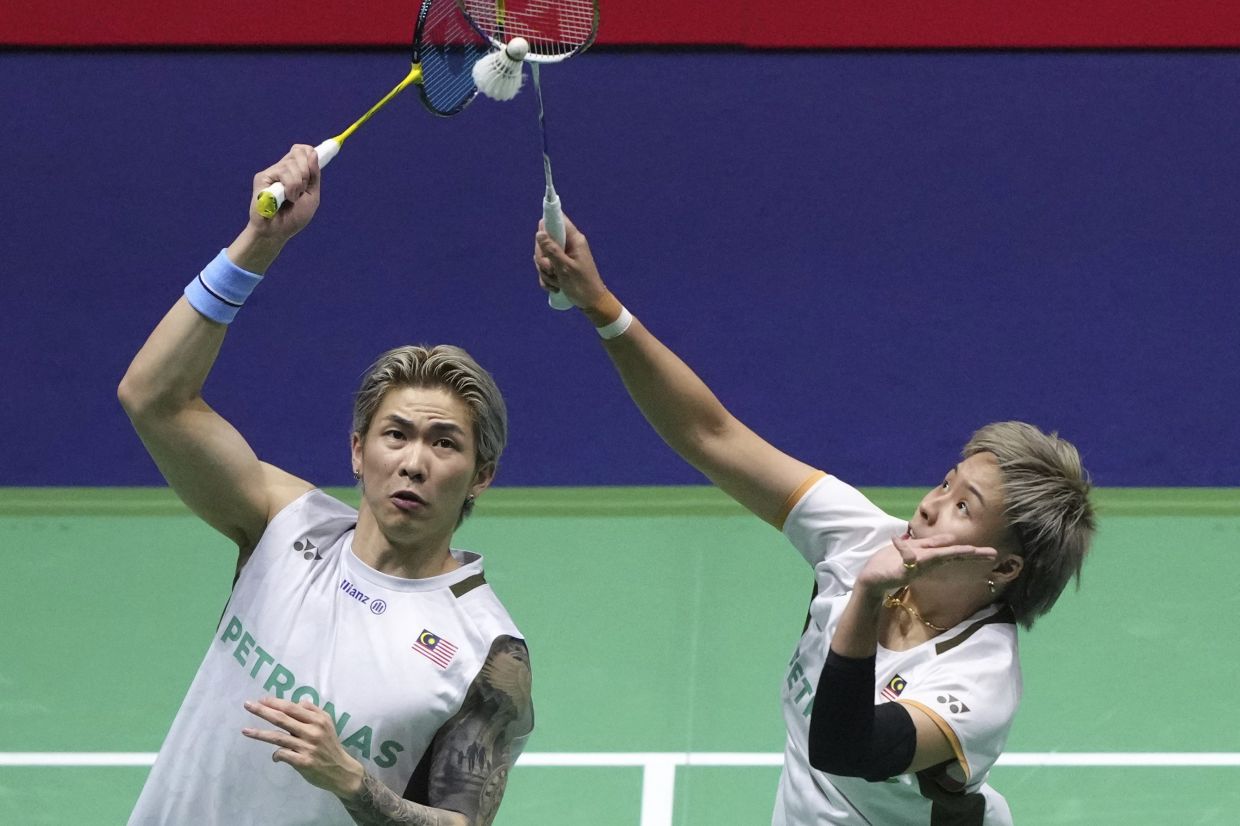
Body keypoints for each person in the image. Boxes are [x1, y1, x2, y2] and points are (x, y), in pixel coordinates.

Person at [532, 218, 1094, 825]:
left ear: (1006, 565)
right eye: (945, 482)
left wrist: (866, 596)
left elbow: (844, 747)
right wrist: (602, 307)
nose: (929, 505)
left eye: (963, 507)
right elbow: (712, 435)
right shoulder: (865, 539)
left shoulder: (978, 679)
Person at [119, 146, 533, 826]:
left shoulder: (488, 651)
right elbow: (152, 397)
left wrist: (353, 782)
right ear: (357, 451)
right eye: (395, 435)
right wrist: (259, 241)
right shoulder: (284, 524)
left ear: (480, 476)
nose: (415, 462)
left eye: (445, 443)